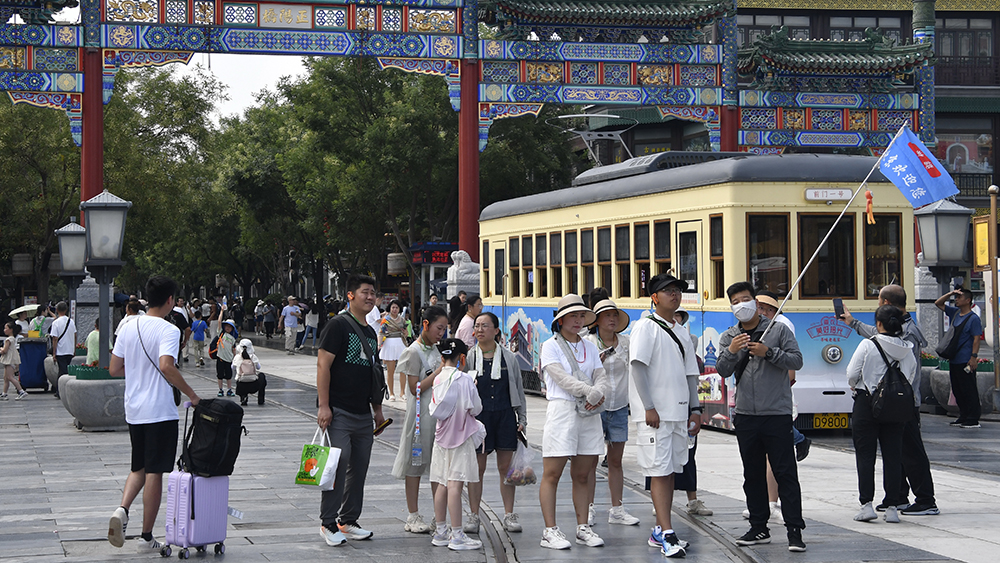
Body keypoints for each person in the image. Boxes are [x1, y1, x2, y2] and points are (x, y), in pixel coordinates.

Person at [106, 276, 201, 553]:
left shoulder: (127, 326)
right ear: (170, 300)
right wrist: (192, 395)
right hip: (159, 411)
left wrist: (138, 370)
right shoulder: (169, 330)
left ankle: (122, 509)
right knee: (155, 472)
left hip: (134, 410)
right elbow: (166, 366)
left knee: (139, 467)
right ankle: (146, 537)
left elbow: (114, 368)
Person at [716, 281, 806, 553]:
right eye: (735, 302)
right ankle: (758, 527)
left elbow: (796, 360)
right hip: (746, 415)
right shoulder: (729, 336)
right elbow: (722, 369)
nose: (740, 305)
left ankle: (794, 530)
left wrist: (770, 353)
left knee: (785, 472)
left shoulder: (777, 330)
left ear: (755, 302)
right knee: (752, 474)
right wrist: (732, 351)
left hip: (777, 414)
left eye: (745, 299)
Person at [842, 285, 938, 515]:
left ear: (885, 304)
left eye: (878, 299)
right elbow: (884, 340)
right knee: (896, 453)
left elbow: (878, 346)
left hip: (901, 401)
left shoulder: (907, 333)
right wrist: (854, 323)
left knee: (911, 452)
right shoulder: (903, 333)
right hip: (900, 399)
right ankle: (897, 498)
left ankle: (925, 499)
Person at [627, 275, 700, 558]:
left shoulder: (681, 331)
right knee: (658, 471)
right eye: (668, 291)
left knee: (670, 472)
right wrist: (648, 406)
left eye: (678, 290)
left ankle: (661, 529)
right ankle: (668, 532)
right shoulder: (646, 327)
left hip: (678, 413)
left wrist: (695, 409)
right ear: (654, 297)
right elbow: (638, 367)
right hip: (656, 415)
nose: (675, 295)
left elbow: (691, 374)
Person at [316, 273, 386, 546]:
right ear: (350, 295)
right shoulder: (338, 325)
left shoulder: (370, 332)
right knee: (337, 463)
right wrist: (324, 406)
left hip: (362, 412)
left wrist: (377, 410)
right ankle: (328, 522)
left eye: (373, 293)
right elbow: (323, 365)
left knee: (359, 467)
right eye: (365, 292)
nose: (370, 297)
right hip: (339, 411)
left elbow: (374, 373)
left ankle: (348, 520)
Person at [538, 294, 608, 550]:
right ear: (561, 320)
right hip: (563, 410)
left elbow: (601, 375)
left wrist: (598, 392)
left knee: (583, 473)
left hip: (589, 413)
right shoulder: (550, 346)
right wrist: (590, 392)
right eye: (573, 316)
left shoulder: (590, 346)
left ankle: (582, 527)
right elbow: (560, 378)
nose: (578, 320)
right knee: (552, 473)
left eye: (581, 316)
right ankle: (550, 530)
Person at [845, 304, 916, 524]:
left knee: (865, 456)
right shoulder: (907, 349)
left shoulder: (868, 344)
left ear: (878, 324)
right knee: (893, 456)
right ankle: (892, 507)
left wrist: (857, 385)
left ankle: (866, 505)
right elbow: (910, 376)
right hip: (897, 406)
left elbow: (852, 373)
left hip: (867, 402)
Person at [465, 311, 528, 534]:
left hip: (504, 415)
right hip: (479, 419)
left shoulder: (508, 358)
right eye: (477, 325)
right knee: (477, 468)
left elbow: (518, 389)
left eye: (485, 325)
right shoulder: (469, 357)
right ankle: (473, 515)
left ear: (496, 330)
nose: (480, 330)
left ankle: (509, 514)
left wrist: (522, 419)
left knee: (506, 468)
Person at [584, 298, 640, 527]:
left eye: (615, 315)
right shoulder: (588, 344)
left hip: (619, 407)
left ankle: (617, 509)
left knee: (616, 461)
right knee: (590, 461)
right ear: (597, 320)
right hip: (595, 408)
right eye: (607, 315)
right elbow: (580, 374)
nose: (612, 319)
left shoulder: (625, 343)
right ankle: (587, 508)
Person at [392, 306, 448, 535]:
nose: (441, 333)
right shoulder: (413, 352)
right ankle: (413, 515)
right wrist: (439, 372)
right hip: (419, 417)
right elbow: (414, 388)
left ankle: (439, 515)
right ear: (426, 324)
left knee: (438, 466)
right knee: (415, 465)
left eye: (444, 329)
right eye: (438, 328)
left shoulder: (436, 349)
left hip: (438, 416)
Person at [428, 338, 486, 551]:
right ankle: (458, 535)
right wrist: (472, 388)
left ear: (442, 358)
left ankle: (441, 531)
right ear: (462, 358)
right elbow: (476, 408)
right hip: (461, 438)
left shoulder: (437, 378)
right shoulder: (465, 379)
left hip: (441, 438)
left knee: (441, 484)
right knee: (455, 485)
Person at [756, 291, 811, 462]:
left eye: (769, 309)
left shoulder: (783, 325)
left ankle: (799, 440)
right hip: (762, 382)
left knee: (776, 422)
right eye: (761, 308)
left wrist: (788, 381)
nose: (764, 312)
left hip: (777, 380)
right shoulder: (760, 323)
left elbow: (791, 356)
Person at [671, 308, 713, 519]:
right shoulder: (654, 335)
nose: (675, 320)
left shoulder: (688, 341)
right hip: (664, 405)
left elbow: (693, 374)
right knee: (662, 455)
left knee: (689, 452)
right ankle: (661, 500)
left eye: (679, 318)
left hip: (686, 403)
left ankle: (692, 499)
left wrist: (696, 409)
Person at [934, 287, 983, 428]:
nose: (956, 300)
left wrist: (973, 357)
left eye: (959, 297)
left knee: (968, 389)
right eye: (956, 297)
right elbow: (938, 303)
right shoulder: (955, 313)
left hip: (965, 359)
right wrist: (951, 293)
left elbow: (976, 339)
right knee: (957, 389)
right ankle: (963, 415)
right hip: (954, 358)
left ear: (968, 300)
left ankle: (973, 418)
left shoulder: (973, 318)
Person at [379, 300, 408, 401]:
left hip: (400, 343)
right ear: (390, 308)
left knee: (403, 370)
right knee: (390, 371)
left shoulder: (403, 320)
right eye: (393, 307)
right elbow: (381, 332)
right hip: (389, 343)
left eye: (396, 307)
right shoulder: (385, 320)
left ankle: (402, 392)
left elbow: (406, 334)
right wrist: (379, 345)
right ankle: (391, 393)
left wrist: (404, 332)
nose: (395, 309)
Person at [50, 301, 76, 399]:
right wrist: (74, 348)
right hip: (69, 350)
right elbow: (75, 335)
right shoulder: (71, 321)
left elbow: (55, 338)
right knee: (64, 370)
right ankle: (60, 390)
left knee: (62, 371)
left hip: (60, 351)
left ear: (57, 310)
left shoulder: (56, 323)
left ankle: (61, 391)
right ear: (66, 310)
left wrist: (54, 352)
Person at [232, 339, 266, 407]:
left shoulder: (237, 357)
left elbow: (232, 368)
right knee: (262, 375)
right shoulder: (253, 356)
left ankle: (243, 397)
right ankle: (261, 399)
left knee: (239, 378)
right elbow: (258, 367)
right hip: (253, 384)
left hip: (241, 384)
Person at [1, 321, 27, 400]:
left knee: (10, 377)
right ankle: (4, 393)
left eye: (6, 328)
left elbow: (4, 351)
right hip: (10, 359)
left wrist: (1, 349)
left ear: (11, 330)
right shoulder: (12, 338)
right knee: (6, 378)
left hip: (9, 360)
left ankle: (21, 391)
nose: (4, 330)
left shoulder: (8, 340)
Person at [215, 320, 238, 397]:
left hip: (229, 359)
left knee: (229, 376)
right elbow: (219, 321)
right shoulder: (221, 334)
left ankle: (229, 389)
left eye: (230, 327)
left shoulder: (232, 338)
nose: (227, 328)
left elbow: (233, 349)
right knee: (220, 375)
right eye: (226, 326)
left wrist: (235, 359)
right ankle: (220, 389)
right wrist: (221, 313)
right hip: (220, 358)